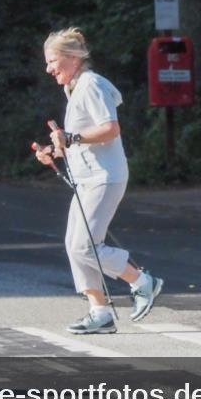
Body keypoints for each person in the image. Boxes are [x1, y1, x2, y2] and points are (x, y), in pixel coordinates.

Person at [34, 27, 163, 334]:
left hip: (105, 178)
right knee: (74, 244)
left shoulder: (91, 85)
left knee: (85, 246)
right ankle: (99, 312)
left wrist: (71, 136)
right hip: (88, 178)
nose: (48, 68)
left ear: (72, 58)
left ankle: (142, 281)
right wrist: (54, 150)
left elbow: (110, 129)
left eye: (52, 61)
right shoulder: (75, 88)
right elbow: (83, 141)